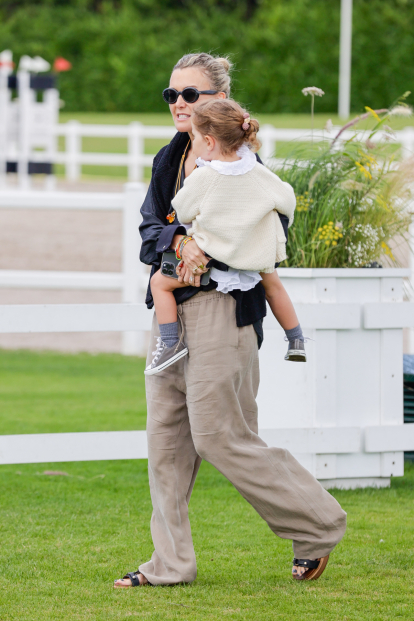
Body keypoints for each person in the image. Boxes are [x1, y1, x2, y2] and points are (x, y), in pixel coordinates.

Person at [114, 52, 346, 589]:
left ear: (218, 99)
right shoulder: (169, 157)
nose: (178, 104)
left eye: (189, 95)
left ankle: (318, 524)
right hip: (171, 314)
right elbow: (151, 227)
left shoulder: (246, 165)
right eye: (171, 95)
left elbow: (268, 231)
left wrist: (206, 250)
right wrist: (178, 240)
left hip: (225, 314)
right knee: (166, 443)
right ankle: (170, 565)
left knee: (221, 436)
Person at [145, 98, 306, 376]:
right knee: (275, 288)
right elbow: (287, 202)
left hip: (212, 260)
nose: (191, 142)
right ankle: (295, 338)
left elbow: (180, 210)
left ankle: (170, 344)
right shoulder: (259, 172)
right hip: (254, 257)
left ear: (208, 142)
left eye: (193, 136)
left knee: (160, 284)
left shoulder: (204, 177)